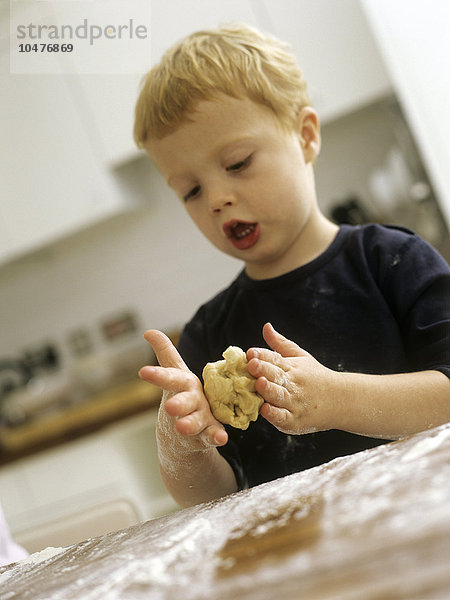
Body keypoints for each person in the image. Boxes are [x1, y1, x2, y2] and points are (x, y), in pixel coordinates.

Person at [134, 24, 450, 508]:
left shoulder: (392, 261)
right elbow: (211, 497)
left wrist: (336, 399)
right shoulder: (208, 333)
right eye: (191, 191)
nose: (217, 198)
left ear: (305, 137)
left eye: (237, 162)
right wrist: (185, 444)